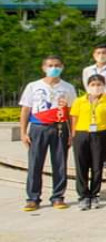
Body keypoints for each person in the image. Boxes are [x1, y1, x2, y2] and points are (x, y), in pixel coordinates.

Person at [19, 55, 77, 212]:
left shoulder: (68, 88)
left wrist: (72, 133)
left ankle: (58, 196)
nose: (54, 68)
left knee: (59, 163)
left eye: (57, 65)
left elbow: (72, 113)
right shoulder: (33, 86)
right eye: (50, 65)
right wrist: (23, 132)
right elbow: (25, 110)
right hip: (38, 127)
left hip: (59, 128)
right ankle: (33, 198)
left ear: (62, 67)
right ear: (43, 68)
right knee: (35, 163)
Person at [70, 74, 106, 210]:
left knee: (97, 166)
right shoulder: (79, 101)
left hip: (100, 134)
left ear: (104, 86)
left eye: (99, 84)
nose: (96, 87)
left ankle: (95, 195)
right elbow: (74, 119)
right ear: (87, 86)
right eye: (93, 85)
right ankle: (83, 195)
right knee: (81, 166)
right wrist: (74, 135)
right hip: (82, 134)